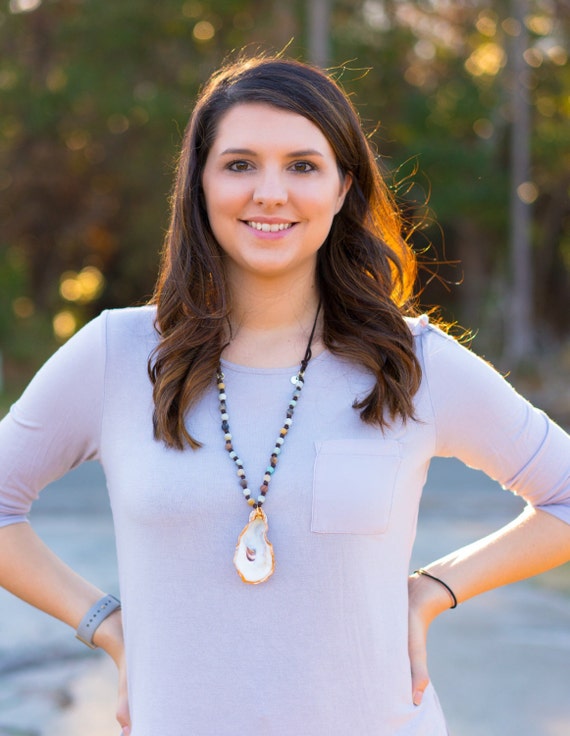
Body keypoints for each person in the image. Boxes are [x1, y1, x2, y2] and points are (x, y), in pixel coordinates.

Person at [0, 53, 569, 736]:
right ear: (201, 183)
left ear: (342, 188)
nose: (271, 192)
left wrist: (433, 590)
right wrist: (108, 626)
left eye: (303, 166)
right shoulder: (116, 355)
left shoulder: (412, 361)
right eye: (240, 164)